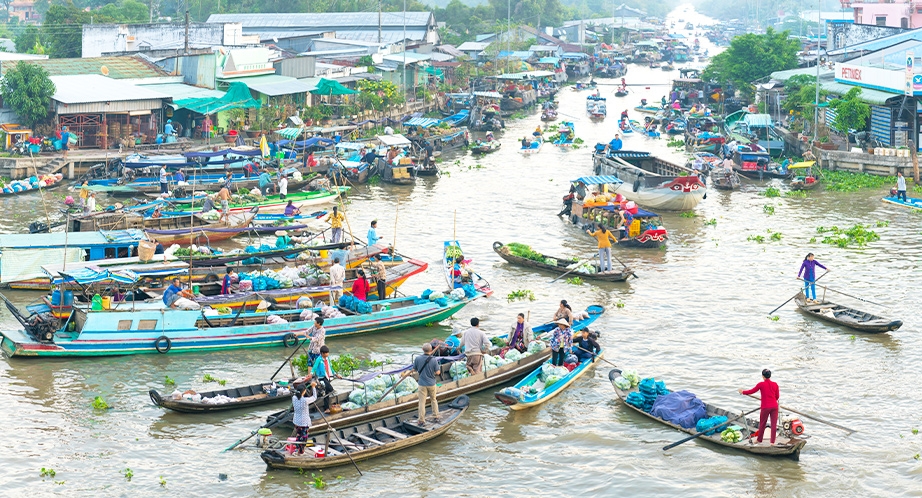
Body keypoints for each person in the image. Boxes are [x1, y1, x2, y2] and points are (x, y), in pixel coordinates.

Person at [738, 369, 780, 445]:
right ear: (770, 376)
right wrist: (771, 399)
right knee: (774, 425)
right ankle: (772, 442)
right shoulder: (775, 384)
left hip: (765, 407)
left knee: (762, 424)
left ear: (763, 376)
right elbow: (777, 397)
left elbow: (752, 391)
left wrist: (742, 392)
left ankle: (759, 440)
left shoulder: (761, 384)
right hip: (774, 406)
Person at [404, 342, 441, 426]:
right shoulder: (434, 360)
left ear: (422, 350)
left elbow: (415, 369)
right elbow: (438, 372)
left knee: (421, 403)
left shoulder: (417, 359)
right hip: (431, 383)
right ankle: (436, 416)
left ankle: (421, 420)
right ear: (431, 350)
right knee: (433, 400)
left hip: (422, 384)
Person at [311, 346, 343, 413]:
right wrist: (310, 374)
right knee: (330, 389)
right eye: (326, 353)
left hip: (327, 377)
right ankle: (328, 405)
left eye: (328, 353)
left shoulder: (327, 358)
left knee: (327, 393)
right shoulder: (319, 359)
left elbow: (331, 368)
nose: (327, 354)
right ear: (322, 353)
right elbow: (314, 367)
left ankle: (326, 408)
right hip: (321, 377)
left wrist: (336, 374)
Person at [291, 381, 318, 455]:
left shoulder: (294, 398)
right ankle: (300, 452)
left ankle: (298, 450)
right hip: (303, 422)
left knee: (299, 436)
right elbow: (314, 397)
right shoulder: (305, 400)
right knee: (303, 438)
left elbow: (297, 394)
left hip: (296, 421)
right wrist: (313, 387)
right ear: (304, 391)